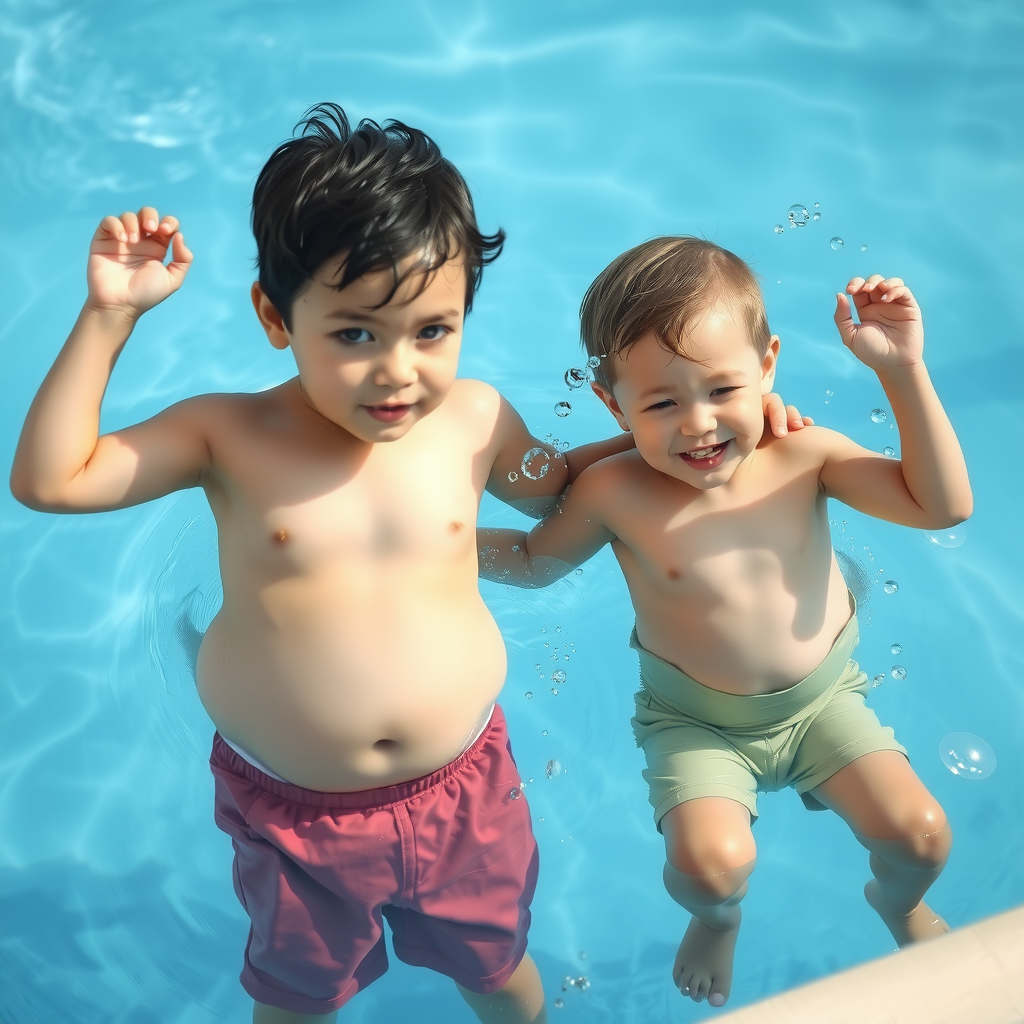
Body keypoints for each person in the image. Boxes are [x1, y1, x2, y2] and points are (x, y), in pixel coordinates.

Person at [7, 105, 807, 1021]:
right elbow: (53, 481)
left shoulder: (474, 420)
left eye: (432, 331)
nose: (398, 372)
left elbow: (568, 484)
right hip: (295, 812)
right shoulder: (225, 434)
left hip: (463, 791)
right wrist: (109, 317)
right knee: (298, 997)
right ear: (275, 315)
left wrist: (727, 436)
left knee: (498, 971)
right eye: (355, 334)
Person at [479, 236, 971, 1009]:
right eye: (662, 403)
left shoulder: (803, 455)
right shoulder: (616, 492)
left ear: (769, 364)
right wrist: (431, 537)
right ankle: (718, 921)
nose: (700, 425)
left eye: (722, 390)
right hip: (695, 722)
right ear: (614, 405)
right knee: (711, 864)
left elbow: (940, 504)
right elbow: (535, 559)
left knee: (922, 836)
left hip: (823, 705)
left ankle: (899, 904)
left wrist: (901, 371)